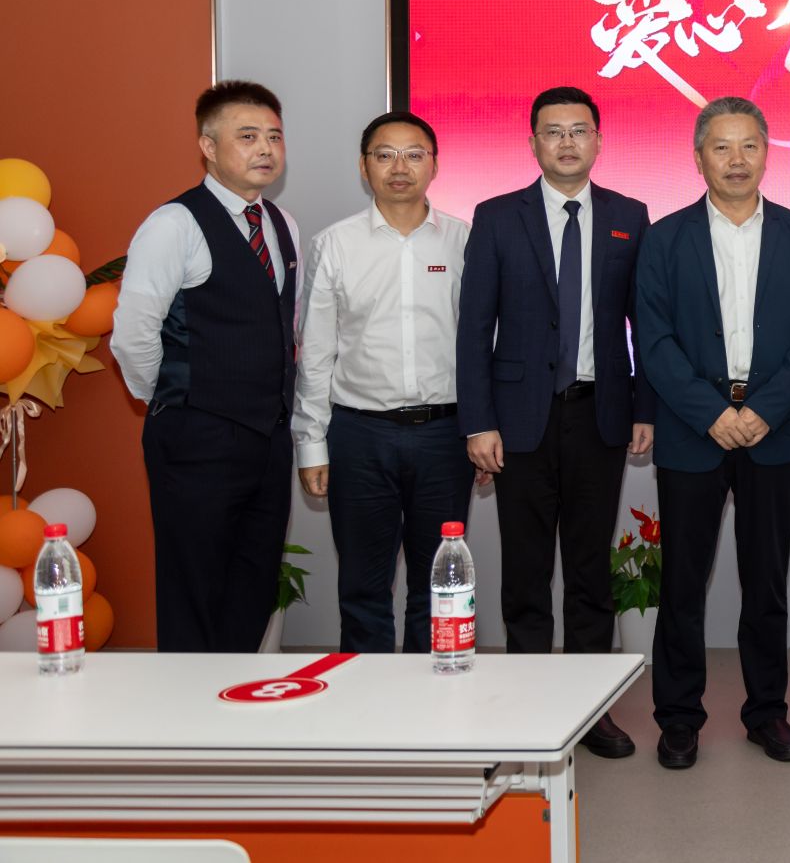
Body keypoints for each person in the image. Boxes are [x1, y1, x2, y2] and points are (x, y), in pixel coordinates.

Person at [456, 85, 652, 758]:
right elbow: (474, 327)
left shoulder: (629, 216)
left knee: (591, 571)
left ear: (598, 140)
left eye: (579, 130)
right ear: (533, 142)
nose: (567, 142)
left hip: (600, 413)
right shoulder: (497, 216)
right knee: (526, 571)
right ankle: (529, 707)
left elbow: (644, 322)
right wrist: (478, 421)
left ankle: (590, 710)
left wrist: (645, 408)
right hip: (518, 422)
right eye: (553, 131)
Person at [635, 97, 790, 771]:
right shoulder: (665, 237)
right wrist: (710, 413)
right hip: (694, 431)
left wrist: (764, 411)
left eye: (749, 145)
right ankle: (678, 717)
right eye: (722, 146)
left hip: (773, 429)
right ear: (699, 158)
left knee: (766, 583)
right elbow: (653, 338)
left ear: (766, 153)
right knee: (682, 584)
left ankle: (766, 712)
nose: (737, 159)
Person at [111, 80, 301, 653]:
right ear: (208, 147)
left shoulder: (283, 224)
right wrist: (173, 399)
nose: (265, 148)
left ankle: (232, 698)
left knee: (254, 583)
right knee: (194, 587)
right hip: (197, 434)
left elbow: (282, 329)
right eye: (247, 136)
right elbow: (133, 333)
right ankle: (186, 707)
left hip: (268, 437)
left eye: (274, 136)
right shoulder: (174, 224)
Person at [292, 110, 473, 654]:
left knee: (438, 585)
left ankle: (432, 693)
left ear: (434, 165)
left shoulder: (464, 241)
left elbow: (484, 345)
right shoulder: (335, 244)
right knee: (363, 587)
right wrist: (311, 443)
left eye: (414, 154)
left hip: (445, 436)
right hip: (359, 436)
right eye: (385, 155)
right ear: (363, 166)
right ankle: (368, 698)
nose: (400, 167)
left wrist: (483, 429)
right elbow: (315, 352)